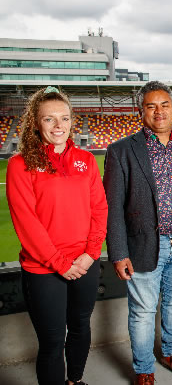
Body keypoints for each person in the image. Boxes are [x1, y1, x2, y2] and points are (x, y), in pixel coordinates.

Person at [6, 86, 108, 385]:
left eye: (64, 118)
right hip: (44, 269)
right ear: (36, 123)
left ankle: (74, 381)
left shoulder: (86, 161)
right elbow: (27, 224)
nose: (59, 126)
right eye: (49, 119)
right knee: (52, 343)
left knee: (80, 328)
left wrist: (90, 255)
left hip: (85, 263)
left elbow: (99, 209)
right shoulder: (19, 164)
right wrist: (61, 263)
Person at [103, 81, 172, 385]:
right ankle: (144, 368)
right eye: (151, 106)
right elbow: (113, 206)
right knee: (143, 311)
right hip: (144, 243)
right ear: (141, 110)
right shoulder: (121, 150)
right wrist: (118, 253)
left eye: (165, 105)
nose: (159, 111)